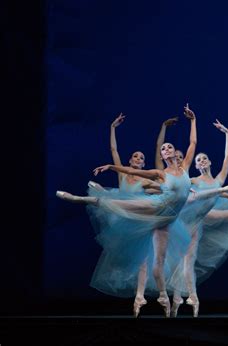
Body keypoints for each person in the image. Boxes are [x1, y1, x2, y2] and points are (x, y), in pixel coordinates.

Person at [57, 103, 198, 317]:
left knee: (157, 264)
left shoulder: (186, 166)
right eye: (163, 148)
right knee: (121, 204)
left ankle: (162, 296)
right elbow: (131, 170)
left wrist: (193, 120)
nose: (166, 149)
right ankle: (80, 198)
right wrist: (112, 167)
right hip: (157, 208)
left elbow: (193, 142)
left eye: (169, 147)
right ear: (161, 154)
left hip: (168, 220)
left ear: (175, 153)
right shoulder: (160, 174)